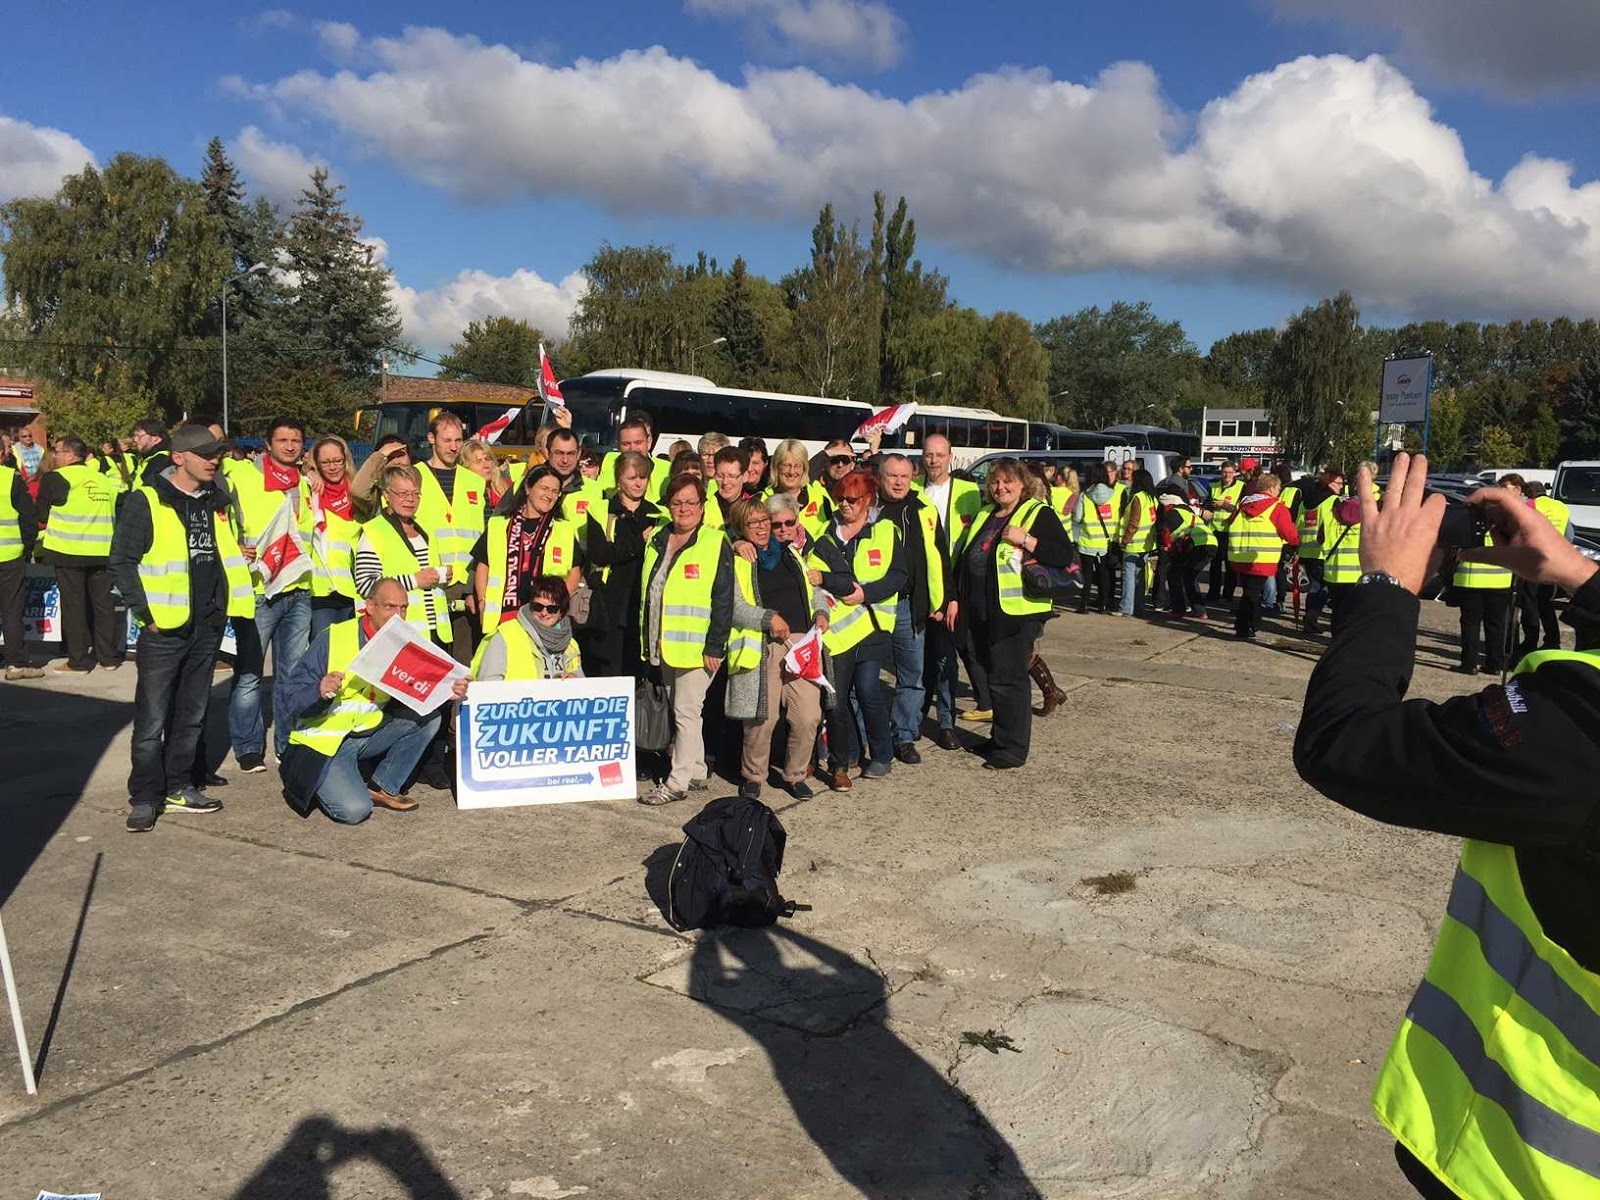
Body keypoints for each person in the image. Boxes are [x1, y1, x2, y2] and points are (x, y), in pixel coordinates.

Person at [1294, 450, 1600, 1200]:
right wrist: (1584, 580)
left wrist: (1383, 589)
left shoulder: (1580, 737)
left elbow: (1345, 742)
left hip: (1526, 1163)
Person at [111, 425, 256, 831]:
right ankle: (144, 796)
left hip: (206, 626)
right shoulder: (148, 501)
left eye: (217, 454)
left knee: (192, 716)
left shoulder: (216, 500)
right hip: (165, 629)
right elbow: (121, 561)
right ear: (179, 457)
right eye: (205, 453)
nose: (214, 460)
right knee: (152, 720)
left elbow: (220, 554)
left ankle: (178, 787)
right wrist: (147, 617)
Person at [278, 579, 470, 823]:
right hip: (324, 743)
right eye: (390, 607)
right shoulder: (334, 638)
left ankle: (383, 786)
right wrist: (319, 690)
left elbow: (422, 689)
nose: (399, 616)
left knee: (430, 717)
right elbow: (290, 698)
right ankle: (319, 779)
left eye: (404, 608)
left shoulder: (405, 644)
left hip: (366, 734)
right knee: (355, 811)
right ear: (369, 606)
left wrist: (446, 691)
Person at [952, 458, 1071, 769]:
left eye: (1007, 481)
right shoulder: (986, 514)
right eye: (995, 482)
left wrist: (1028, 540)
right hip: (983, 609)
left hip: (1016, 613)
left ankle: (1012, 750)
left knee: (1009, 679)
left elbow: (1063, 554)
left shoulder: (1036, 512)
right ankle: (999, 738)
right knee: (994, 678)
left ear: (1022, 483)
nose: (1000, 487)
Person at [638, 473, 736, 806]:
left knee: (685, 711)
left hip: (698, 648)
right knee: (686, 711)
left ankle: (676, 783)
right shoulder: (658, 539)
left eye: (691, 502)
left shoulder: (714, 542)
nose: (684, 509)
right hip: (662, 643)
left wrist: (715, 646)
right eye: (677, 502)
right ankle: (695, 769)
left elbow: (724, 599)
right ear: (668, 504)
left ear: (703, 506)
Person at [724, 497, 828, 800]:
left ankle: (795, 775)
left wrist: (822, 613)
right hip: (764, 645)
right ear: (741, 528)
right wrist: (768, 618)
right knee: (762, 718)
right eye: (752, 523)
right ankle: (753, 775)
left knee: (808, 715)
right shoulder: (740, 558)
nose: (760, 528)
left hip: (801, 645)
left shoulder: (791, 552)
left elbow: (814, 591)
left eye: (763, 521)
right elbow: (735, 606)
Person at [808, 468, 905, 789]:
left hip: (873, 626)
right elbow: (818, 581)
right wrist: (833, 587)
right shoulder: (825, 533)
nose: (844, 505)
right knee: (838, 698)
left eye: (851, 499)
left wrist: (866, 593)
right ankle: (845, 757)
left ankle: (881, 754)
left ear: (868, 500)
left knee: (867, 691)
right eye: (840, 499)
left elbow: (898, 576)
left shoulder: (886, 530)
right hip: (839, 630)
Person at [226, 416, 314, 771]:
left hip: (298, 590)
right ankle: (248, 747)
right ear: (268, 444)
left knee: (291, 675)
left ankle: (286, 743)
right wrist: (233, 547)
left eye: (295, 440)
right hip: (259, 590)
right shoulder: (243, 476)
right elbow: (224, 518)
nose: (290, 446)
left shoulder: (305, 483)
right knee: (248, 674)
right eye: (283, 440)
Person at [876, 453, 949, 762]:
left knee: (911, 677)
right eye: (892, 475)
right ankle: (867, 733)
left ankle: (904, 735)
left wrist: (942, 600)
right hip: (874, 605)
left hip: (910, 605)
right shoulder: (869, 508)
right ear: (881, 477)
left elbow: (940, 556)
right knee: (862, 676)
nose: (898, 481)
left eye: (904, 476)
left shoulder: (924, 509)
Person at [916, 434, 985, 737]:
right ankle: (916, 716)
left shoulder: (969, 491)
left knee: (946, 659)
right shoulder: (915, 492)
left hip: (956, 587)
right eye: (929, 455)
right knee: (921, 659)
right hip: (922, 587)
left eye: (939, 455)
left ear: (950, 457)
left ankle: (945, 722)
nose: (934, 460)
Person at [38, 434, 122, 673]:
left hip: (69, 550)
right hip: (102, 550)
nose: (54, 455)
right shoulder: (103, 480)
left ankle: (78, 660)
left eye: (58, 451)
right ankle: (108, 658)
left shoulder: (56, 478)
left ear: (70, 455)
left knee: (74, 606)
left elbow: (42, 514)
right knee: (103, 605)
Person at [577, 450, 662, 678]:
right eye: (631, 478)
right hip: (610, 602)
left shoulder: (657, 513)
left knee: (638, 669)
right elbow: (600, 554)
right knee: (608, 668)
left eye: (642, 478)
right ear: (618, 480)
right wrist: (639, 542)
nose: (638, 484)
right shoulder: (601, 510)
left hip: (644, 600)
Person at [471, 465, 584, 635]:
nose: (549, 495)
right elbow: (483, 565)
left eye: (555, 491)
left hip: (545, 617)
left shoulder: (564, 529)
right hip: (504, 615)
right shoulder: (499, 525)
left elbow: (574, 572)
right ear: (528, 488)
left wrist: (556, 606)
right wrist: (481, 601)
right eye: (544, 488)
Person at [414, 412, 486, 663]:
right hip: (429, 580)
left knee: (464, 660)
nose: (454, 447)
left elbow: (482, 535)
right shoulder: (414, 477)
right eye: (447, 440)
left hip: (467, 582)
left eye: (458, 440)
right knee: (431, 658)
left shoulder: (475, 482)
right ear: (431, 438)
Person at [355, 465, 450, 642]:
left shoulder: (425, 528)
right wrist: (415, 580)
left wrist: (441, 574)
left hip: (436, 632)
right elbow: (365, 585)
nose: (410, 500)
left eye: (415, 494)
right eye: (403, 494)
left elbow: (423, 574)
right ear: (386, 495)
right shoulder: (374, 531)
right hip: (398, 632)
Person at [1450, 476, 1518, 676]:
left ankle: (1469, 663)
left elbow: (1454, 546)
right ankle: (1494, 664)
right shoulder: (1503, 522)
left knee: (1470, 624)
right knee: (1496, 624)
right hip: (1500, 580)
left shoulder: (1466, 520)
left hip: (1471, 579)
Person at [1221, 470, 1299, 639]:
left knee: (1250, 592)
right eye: (1278, 488)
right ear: (1271, 488)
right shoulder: (1277, 507)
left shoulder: (1243, 504)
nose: (1279, 491)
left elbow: (1230, 522)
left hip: (1240, 555)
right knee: (1252, 594)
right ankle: (1246, 625)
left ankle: (1249, 625)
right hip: (1262, 558)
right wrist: (1296, 543)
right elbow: (1289, 533)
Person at [473, 575, 583, 682]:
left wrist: (574, 680)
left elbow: (583, 687)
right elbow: (488, 685)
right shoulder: (505, 636)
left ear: (561, 612)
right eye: (538, 607)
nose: (544, 613)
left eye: (552, 609)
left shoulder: (570, 645)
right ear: (530, 606)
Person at [305, 435, 361, 641]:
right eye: (325, 463)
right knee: (323, 655)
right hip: (322, 592)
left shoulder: (357, 491)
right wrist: (307, 471)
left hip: (356, 591)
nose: (333, 467)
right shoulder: (311, 491)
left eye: (337, 461)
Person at [0, 450, 42, 680]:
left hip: (10, 554)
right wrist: (26, 549)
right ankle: (15, 663)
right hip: (9, 555)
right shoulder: (10, 478)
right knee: (12, 609)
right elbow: (28, 518)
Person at [1519, 480, 1573, 656]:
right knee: (1545, 603)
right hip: (1553, 561)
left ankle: (1530, 642)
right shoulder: (1561, 507)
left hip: (1533, 560)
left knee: (1530, 603)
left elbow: (1521, 532)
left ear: (1530, 493)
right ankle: (1552, 641)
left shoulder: (1530, 505)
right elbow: (1569, 534)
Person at [1296, 466, 1346, 636]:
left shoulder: (1305, 500)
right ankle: (1311, 617)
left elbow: (1298, 524)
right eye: (1338, 483)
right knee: (1322, 588)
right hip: (1323, 551)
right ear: (1329, 482)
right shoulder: (1333, 501)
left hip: (1305, 550)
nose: (1341, 487)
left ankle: (1310, 617)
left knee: (1315, 586)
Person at [1157, 482, 1214, 620]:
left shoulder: (1171, 513)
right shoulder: (1186, 509)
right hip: (1209, 543)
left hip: (1195, 545)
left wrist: (1165, 547)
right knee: (1189, 577)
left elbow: (1166, 535)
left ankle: (1178, 609)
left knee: (1174, 575)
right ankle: (1200, 611)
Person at [1074, 460, 1119, 615]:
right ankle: (1103, 604)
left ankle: (1084, 604)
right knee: (1104, 574)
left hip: (1087, 541)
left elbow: (1078, 517)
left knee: (1086, 575)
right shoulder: (1115, 495)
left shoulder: (1085, 495)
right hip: (1107, 542)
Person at [767, 438, 832, 541]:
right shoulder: (763, 499)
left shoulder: (821, 500)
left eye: (797, 466)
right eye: (786, 465)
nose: (792, 471)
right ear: (776, 467)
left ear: (804, 469)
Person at [598, 413, 671, 500]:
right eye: (626, 444)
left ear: (649, 442)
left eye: (638, 442)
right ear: (618, 446)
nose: (632, 448)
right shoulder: (609, 463)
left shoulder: (667, 469)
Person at [1118, 468, 1159, 617]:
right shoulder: (1152, 498)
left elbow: (1133, 523)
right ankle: (1139, 607)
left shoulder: (1137, 498)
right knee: (1140, 578)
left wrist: (1124, 541)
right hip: (1146, 543)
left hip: (1133, 543)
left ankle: (1126, 607)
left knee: (1128, 576)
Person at [350, 434, 410, 520]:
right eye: (390, 457)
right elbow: (358, 492)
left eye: (400, 455)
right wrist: (380, 454)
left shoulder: (424, 481)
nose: (397, 462)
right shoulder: (378, 496)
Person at [1207, 459, 1243, 600]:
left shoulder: (1240, 487)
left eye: (1230, 472)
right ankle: (1213, 593)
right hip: (1214, 530)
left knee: (1230, 566)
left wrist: (1224, 505)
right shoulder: (1214, 485)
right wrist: (1210, 506)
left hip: (1230, 531)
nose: (1227, 475)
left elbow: (1239, 509)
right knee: (1214, 565)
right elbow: (1208, 503)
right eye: (1224, 472)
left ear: (1234, 473)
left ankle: (1228, 595)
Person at [703, 446, 750, 529]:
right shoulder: (703, 508)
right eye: (720, 476)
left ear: (745, 476)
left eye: (732, 476)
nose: (725, 482)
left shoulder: (756, 509)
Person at [461, 438, 513, 511]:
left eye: (487, 459)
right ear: (465, 467)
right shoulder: (460, 496)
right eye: (478, 461)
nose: (486, 465)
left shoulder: (509, 489)